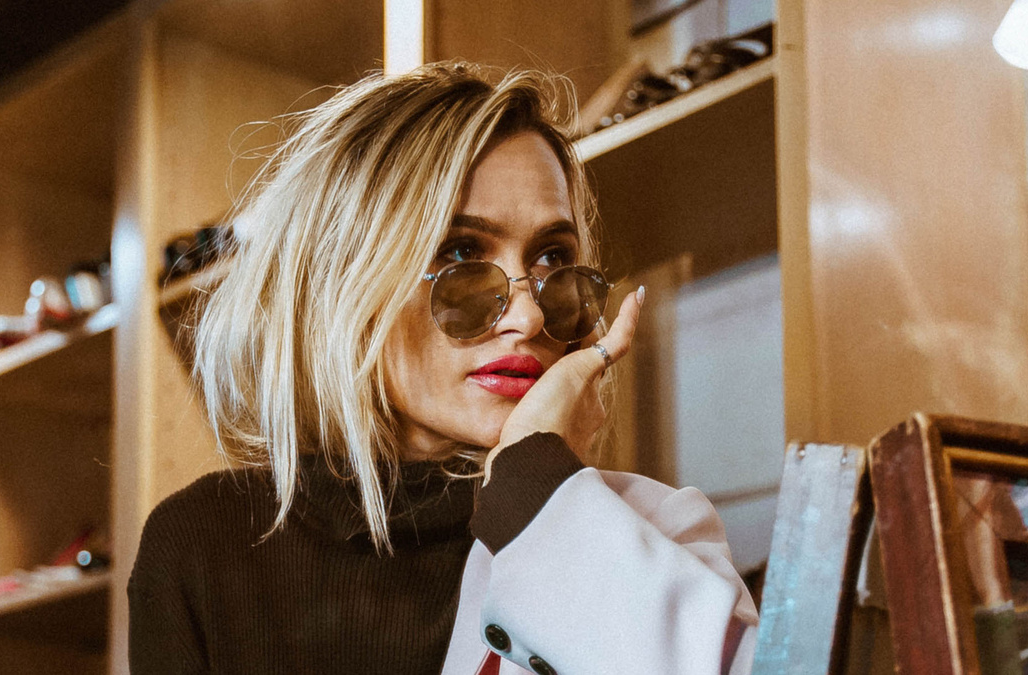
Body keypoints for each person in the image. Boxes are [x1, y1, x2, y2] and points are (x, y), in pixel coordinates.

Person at [127, 62, 758, 675]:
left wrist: (543, 501)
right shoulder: (203, 545)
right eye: (459, 253)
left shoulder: (657, 530)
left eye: (551, 258)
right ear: (341, 282)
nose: (528, 317)